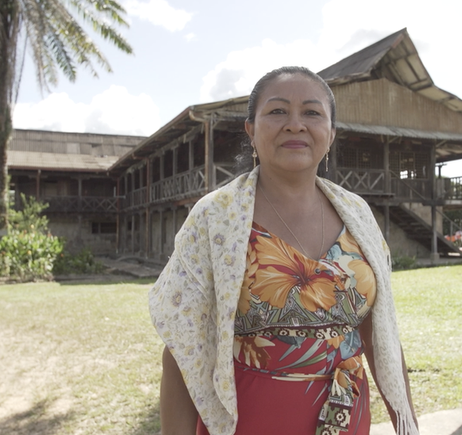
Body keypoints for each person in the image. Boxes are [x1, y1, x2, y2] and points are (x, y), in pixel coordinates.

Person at [149, 66, 419, 435]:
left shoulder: (358, 214)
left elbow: (380, 334)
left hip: (347, 417)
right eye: (277, 111)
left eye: (311, 112)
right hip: (253, 420)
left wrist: (408, 425)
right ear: (251, 130)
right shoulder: (216, 217)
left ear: (331, 133)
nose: (295, 124)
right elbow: (182, 350)